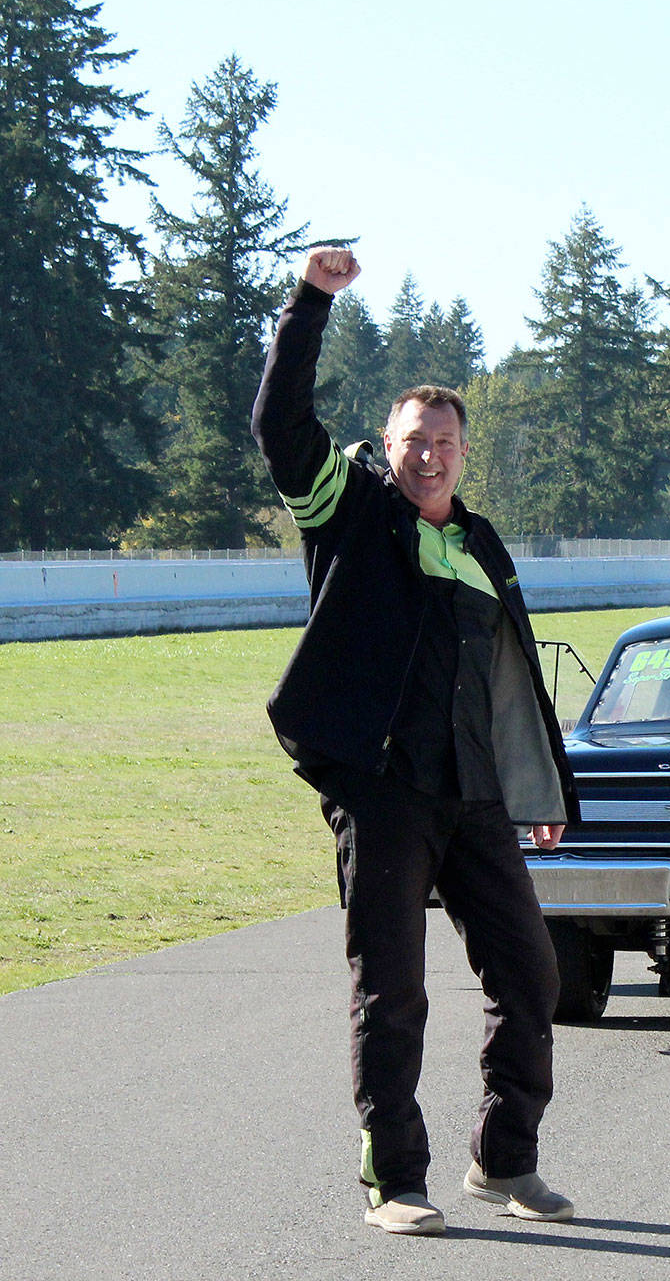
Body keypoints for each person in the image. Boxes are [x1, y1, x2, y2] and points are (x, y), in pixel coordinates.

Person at [252, 244, 578, 1236]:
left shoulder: (479, 547)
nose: (427, 454)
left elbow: (506, 678)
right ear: (385, 445)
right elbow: (278, 422)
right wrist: (312, 300)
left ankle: (502, 1157)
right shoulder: (348, 513)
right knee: (391, 993)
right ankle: (393, 1178)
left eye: (443, 440)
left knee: (532, 977)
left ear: (463, 453)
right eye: (411, 439)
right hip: (385, 793)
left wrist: (537, 791)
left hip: (474, 798)